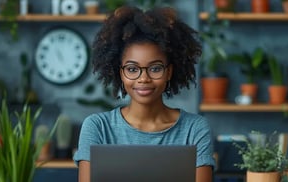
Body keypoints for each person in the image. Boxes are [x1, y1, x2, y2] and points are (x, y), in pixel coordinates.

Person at [73, 6, 215, 182]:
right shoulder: (97, 127)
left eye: (155, 68)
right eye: (132, 69)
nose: (144, 78)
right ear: (121, 73)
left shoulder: (194, 129)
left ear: (169, 72)